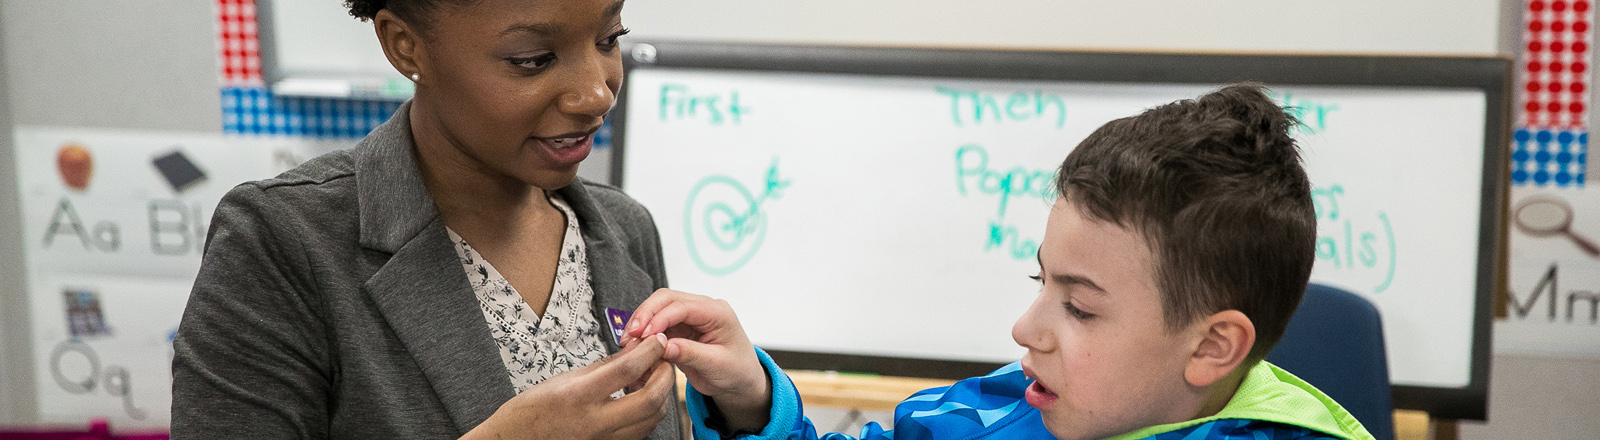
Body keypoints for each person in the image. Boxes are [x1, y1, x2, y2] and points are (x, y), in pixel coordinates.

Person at [625, 84, 1377, 440]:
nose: (1026, 328)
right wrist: (752, 394)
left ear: (1214, 347)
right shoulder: (1002, 413)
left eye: (1079, 307)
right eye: (1039, 281)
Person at [170, 0, 682, 438]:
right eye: (533, 60)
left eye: (609, 38)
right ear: (404, 45)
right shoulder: (281, 240)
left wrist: (748, 405)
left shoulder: (622, 228)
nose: (596, 93)